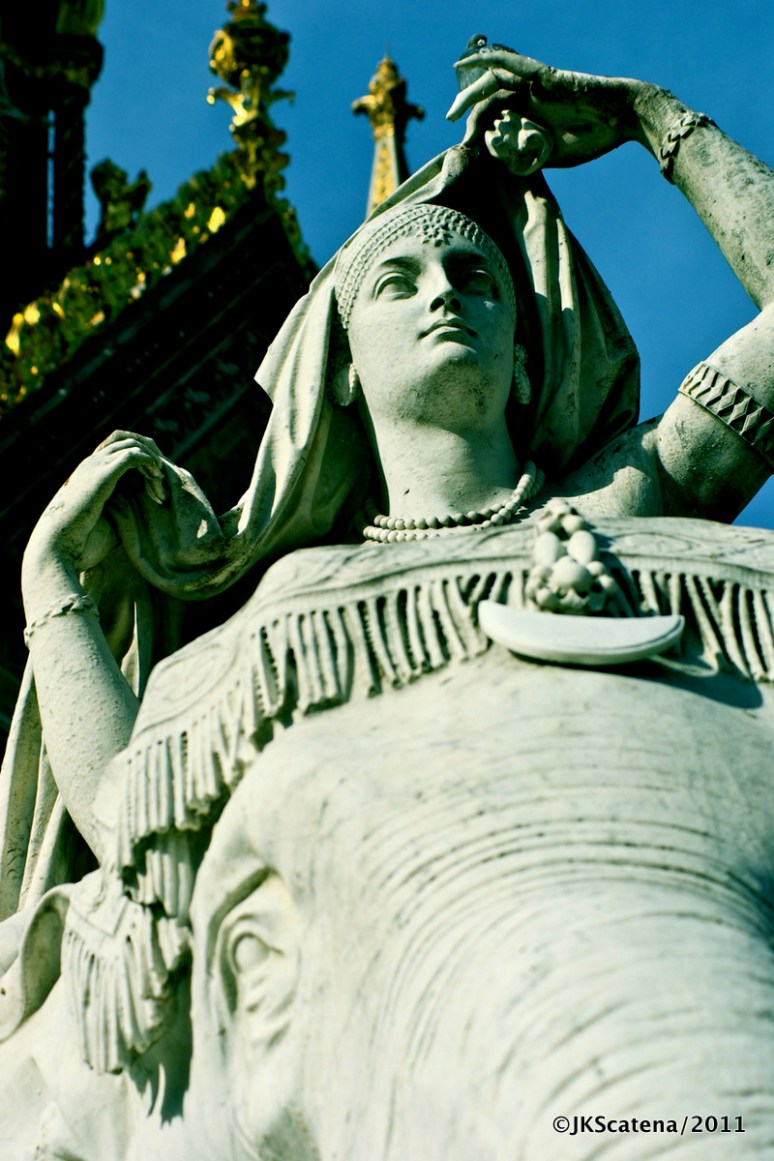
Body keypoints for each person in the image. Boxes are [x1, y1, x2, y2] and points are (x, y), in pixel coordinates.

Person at [0, 42, 773, 1158]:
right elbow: (131, 822)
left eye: (477, 279)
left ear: (525, 361)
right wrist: (53, 588)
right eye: (398, 284)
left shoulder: (625, 504)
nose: (444, 294)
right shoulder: (283, 622)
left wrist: (655, 116)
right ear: (343, 370)